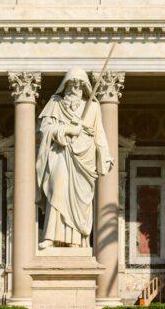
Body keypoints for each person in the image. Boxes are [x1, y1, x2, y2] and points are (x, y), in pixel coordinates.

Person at [36, 69, 114, 248]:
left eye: (78, 86)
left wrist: (105, 156)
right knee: (57, 189)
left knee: (80, 200)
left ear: (84, 88)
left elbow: (99, 134)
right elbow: (45, 129)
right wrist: (68, 130)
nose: (74, 89)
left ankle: (76, 240)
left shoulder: (93, 107)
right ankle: (51, 236)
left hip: (84, 158)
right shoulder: (55, 103)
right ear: (65, 86)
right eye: (71, 85)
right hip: (61, 153)